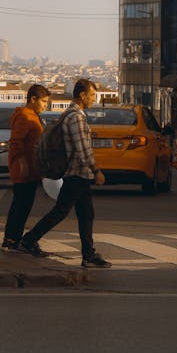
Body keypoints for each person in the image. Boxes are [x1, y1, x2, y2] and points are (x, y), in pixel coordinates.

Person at [19, 79, 112, 268]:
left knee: (85, 213)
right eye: (92, 95)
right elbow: (82, 148)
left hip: (78, 173)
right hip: (77, 172)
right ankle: (29, 240)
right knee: (63, 211)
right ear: (82, 95)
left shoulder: (71, 114)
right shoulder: (76, 117)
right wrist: (96, 170)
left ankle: (88, 254)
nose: (94, 99)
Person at [1, 83, 51, 251]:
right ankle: (11, 240)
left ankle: (12, 239)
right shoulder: (25, 116)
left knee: (21, 205)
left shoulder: (33, 115)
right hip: (24, 170)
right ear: (33, 99)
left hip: (30, 169)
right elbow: (16, 141)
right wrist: (22, 162)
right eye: (43, 101)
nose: (46, 105)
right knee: (21, 205)